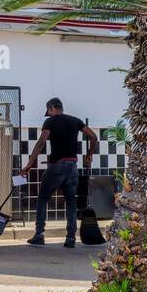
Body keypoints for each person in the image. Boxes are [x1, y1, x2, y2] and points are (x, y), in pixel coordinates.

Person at [21, 98, 99, 248]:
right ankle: (70, 238)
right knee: (71, 201)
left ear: (51, 109)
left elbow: (42, 142)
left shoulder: (50, 121)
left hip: (57, 166)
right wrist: (89, 155)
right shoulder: (75, 121)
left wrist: (29, 164)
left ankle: (39, 234)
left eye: (49, 112)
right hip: (73, 166)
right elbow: (94, 137)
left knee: (43, 197)